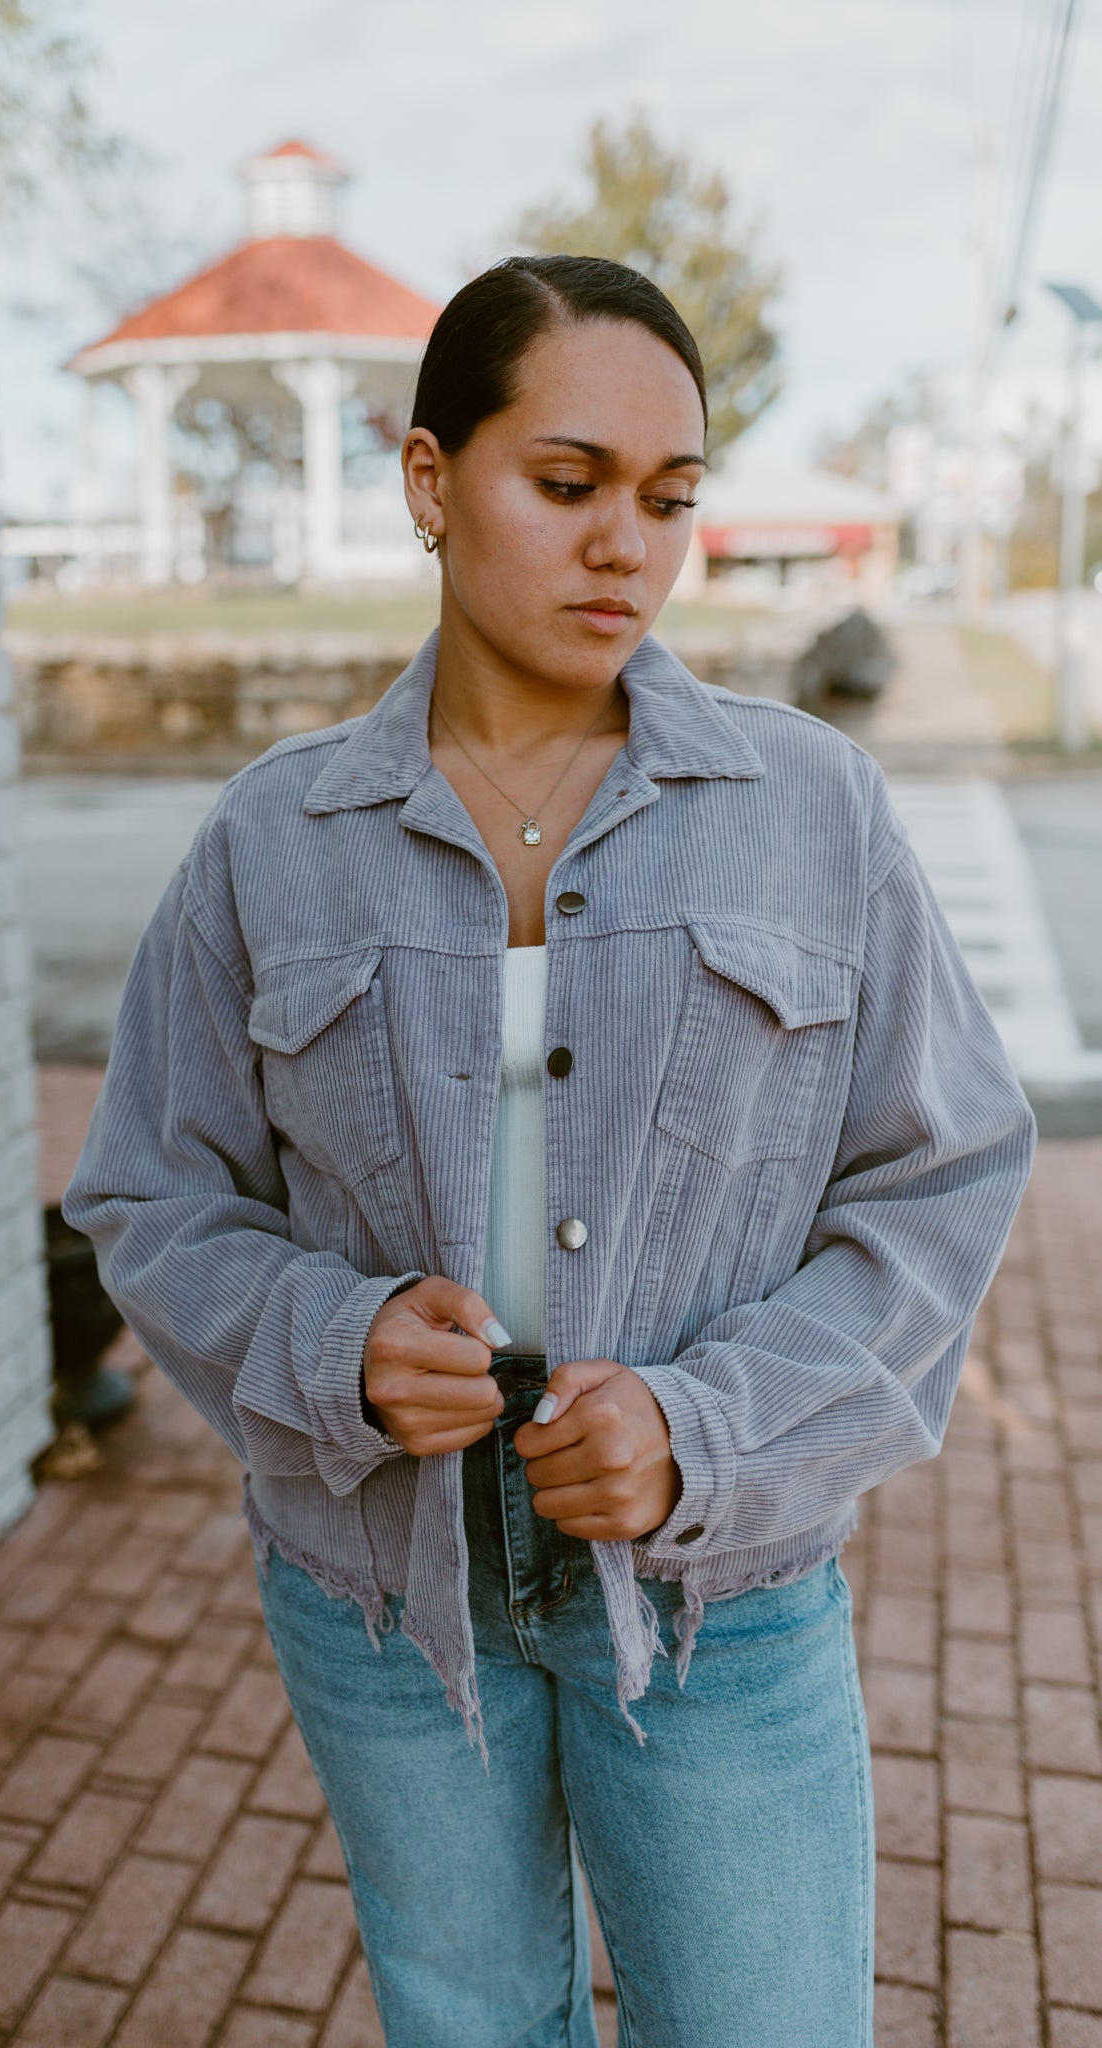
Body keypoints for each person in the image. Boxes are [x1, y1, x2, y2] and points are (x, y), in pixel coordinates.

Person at [62, 254, 1036, 2048]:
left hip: (715, 1592)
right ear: (431, 481)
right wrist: (329, 1344)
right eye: (567, 483)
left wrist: (707, 1427)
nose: (628, 549)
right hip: (380, 1589)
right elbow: (151, 1190)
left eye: (669, 501)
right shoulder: (277, 841)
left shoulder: (808, 810)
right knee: (471, 2025)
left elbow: (942, 1175)